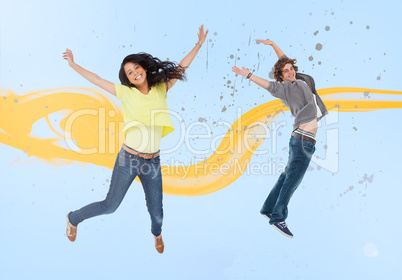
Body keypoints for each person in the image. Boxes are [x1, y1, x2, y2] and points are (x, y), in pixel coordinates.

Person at [63, 25, 209, 253]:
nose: (134, 73)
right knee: (110, 206)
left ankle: (157, 235)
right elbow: (96, 78)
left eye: (136, 68)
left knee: (157, 211)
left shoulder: (161, 88)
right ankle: (73, 218)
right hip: (128, 159)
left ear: (144, 68)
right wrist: (73, 64)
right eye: (129, 72)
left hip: (153, 161)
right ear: (128, 79)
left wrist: (199, 44)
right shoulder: (125, 93)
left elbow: (182, 67)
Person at [232, 39, 328, 238]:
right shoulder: (284, 88)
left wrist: (272, 44)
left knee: (286, 176)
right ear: (281, 76)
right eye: (285, 71)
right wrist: (248, 75)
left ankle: (268, 208)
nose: (290, 71)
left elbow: (285, 59)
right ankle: (278, 217)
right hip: (302, 140)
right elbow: (268, 85)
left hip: (303, 140)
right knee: (293, 178)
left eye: (291, 68)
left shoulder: (301, 79)